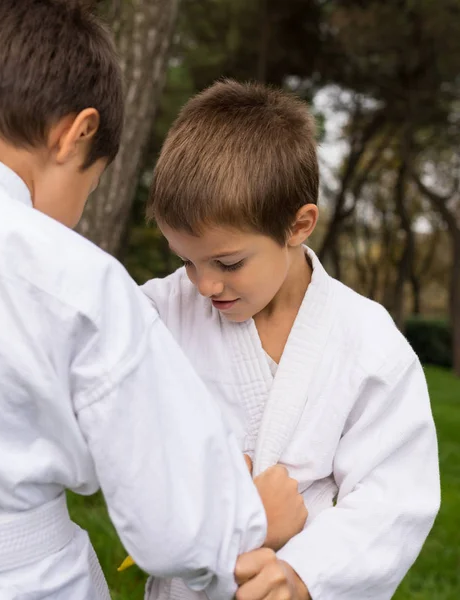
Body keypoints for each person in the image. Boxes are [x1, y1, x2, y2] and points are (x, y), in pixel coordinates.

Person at [0, 4, 308, 599]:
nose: (76, 213)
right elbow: (172, 526)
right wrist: (246, 522)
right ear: (77, 134)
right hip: (24, 581)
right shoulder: (80, 282)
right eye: (90, 187)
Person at [139, 80, 441, 600]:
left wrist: (304, 571)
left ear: (298, 225)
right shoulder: (155, 317)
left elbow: (393, 499)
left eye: (228, 262)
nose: (205, 284)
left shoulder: (368, 344)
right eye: (185, 259)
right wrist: (242, 515)